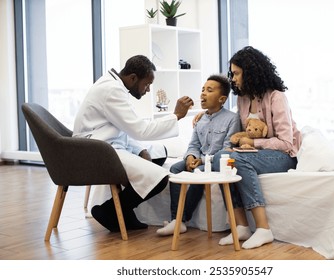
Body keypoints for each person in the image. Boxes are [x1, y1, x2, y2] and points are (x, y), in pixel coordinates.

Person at [72, 55, 194, 232]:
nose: (148, 90)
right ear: (133, 78)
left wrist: (141, 149)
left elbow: (123, 127)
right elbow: (140, 130)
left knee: (159, 154)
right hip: (97, 150)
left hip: (107, 143)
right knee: (159, 178)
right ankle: (111, 210)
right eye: (147, 84)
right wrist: (176, 115)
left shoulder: (115, 85)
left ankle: (123, 210)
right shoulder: (112, 91)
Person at [211, 46, 302, 249]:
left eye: (236, 73)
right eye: (232, 73)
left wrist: (253, 144)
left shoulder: (276, 97)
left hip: (283, 155)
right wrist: (206, 115)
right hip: (256, 154)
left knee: (238, 159)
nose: (232, 78)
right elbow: (236, 127)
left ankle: (263, 228)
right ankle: (241, 226)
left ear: (250, 72)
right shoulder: (243, 99)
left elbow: (287, 143)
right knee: (221, 158)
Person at [156, 74, 241, 236]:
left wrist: (200, 160)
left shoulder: (232, 119)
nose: (203, 93)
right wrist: (190, 157)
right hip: (197, 159)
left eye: (209, 90)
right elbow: (193, 144)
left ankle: (180, 220)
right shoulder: (200, 119)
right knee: (174, 169)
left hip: (212, 162)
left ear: (222, 99)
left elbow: (226, 148)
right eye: (202, 89)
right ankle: (175, 219)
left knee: (199, 172)